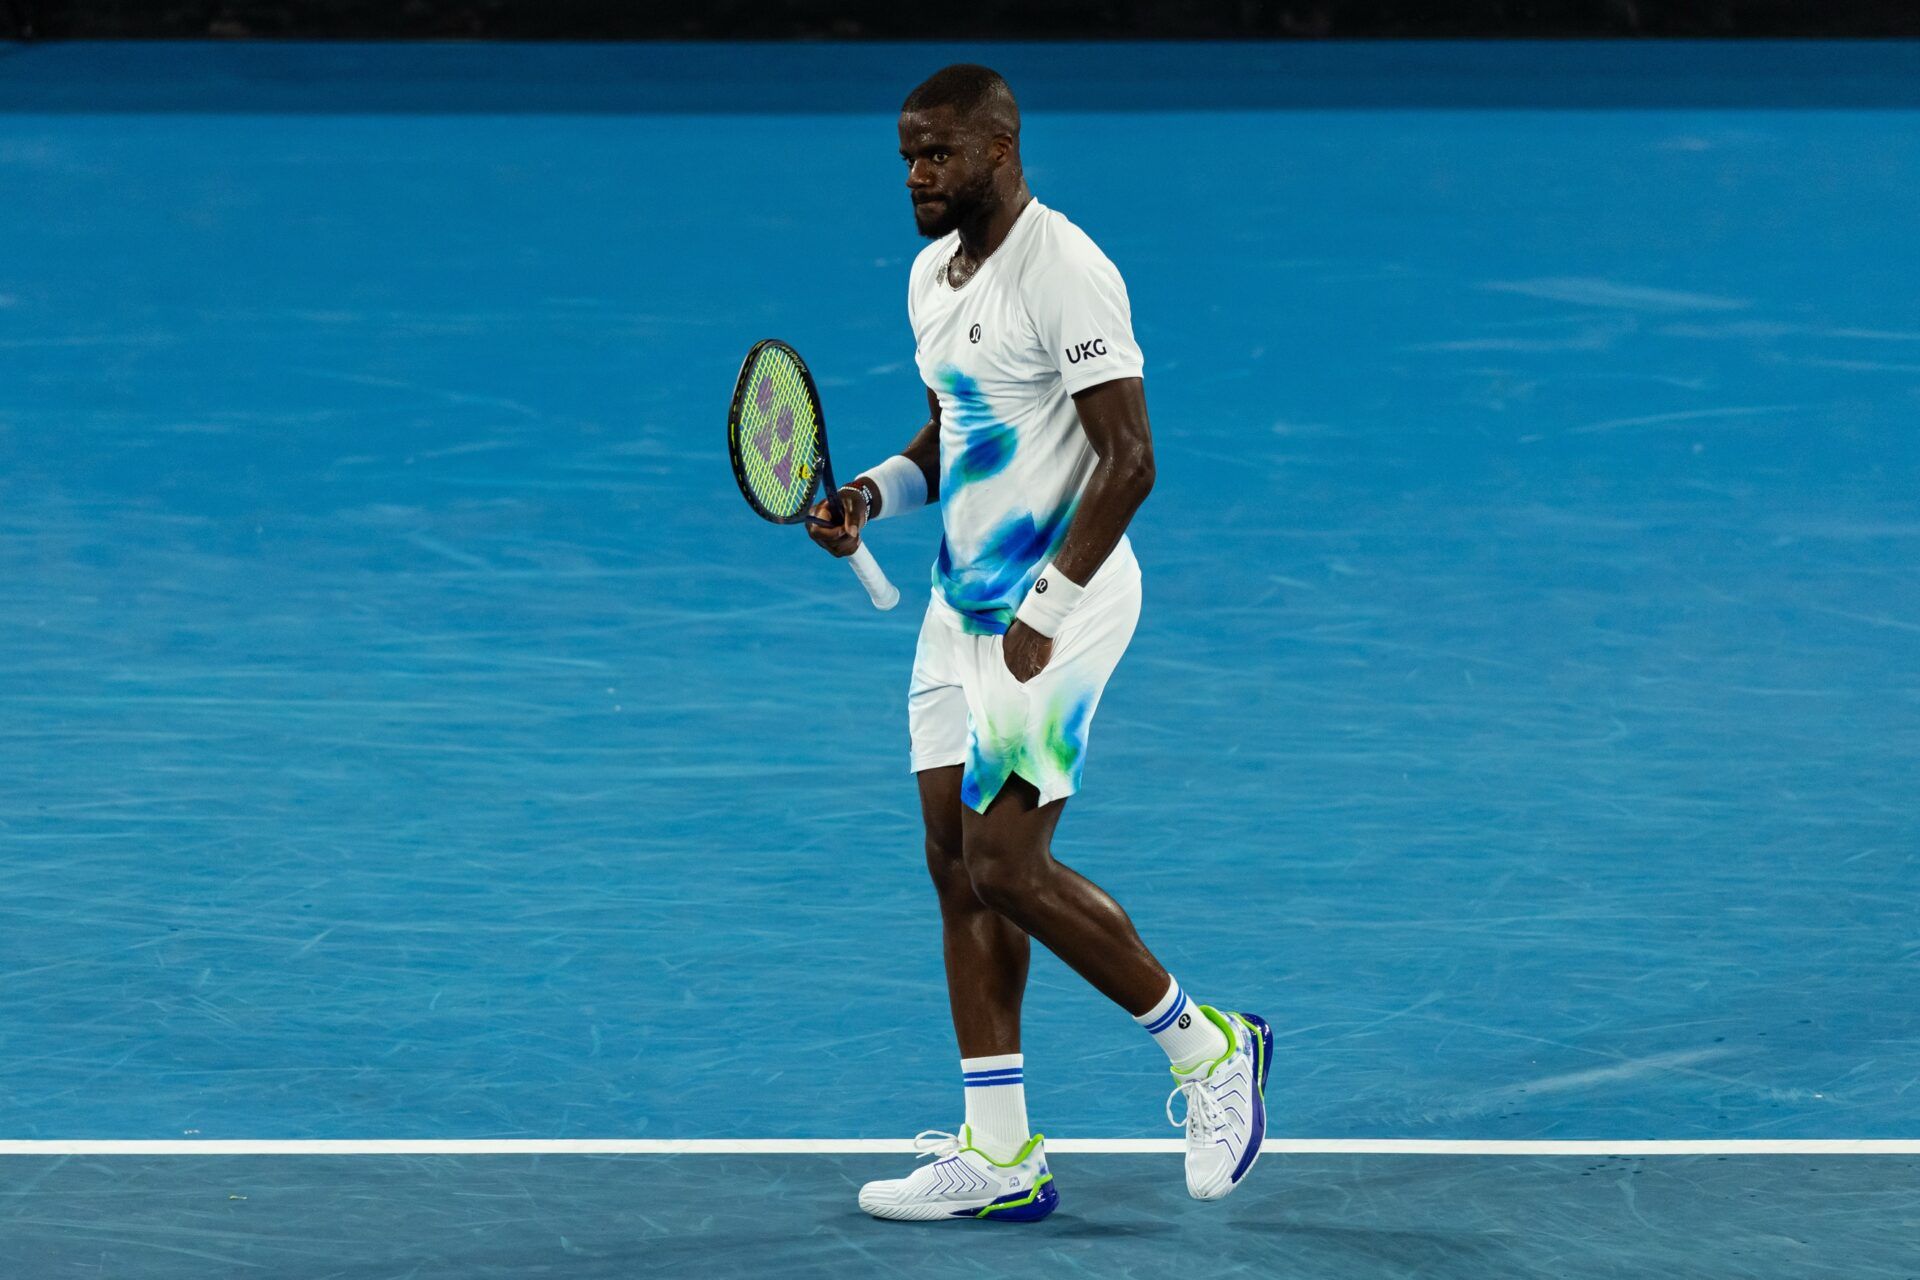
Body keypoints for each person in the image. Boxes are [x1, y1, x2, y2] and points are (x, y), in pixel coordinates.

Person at [807, 64, 1269, 1223]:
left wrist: (1045, 608)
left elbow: (1131, 459)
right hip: (962, 599)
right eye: (907, 156)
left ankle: (1208, 1046)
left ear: (1001, 150)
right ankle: (1000, 1149)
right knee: (954, 863)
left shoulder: (1065, 269)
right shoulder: (931, 272)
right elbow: (955, 428)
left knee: (1007, 858)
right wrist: (870, 493)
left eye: (938, 156)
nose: (916, 175)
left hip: (1059, 599)